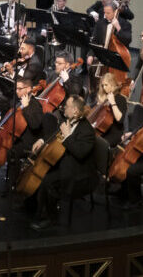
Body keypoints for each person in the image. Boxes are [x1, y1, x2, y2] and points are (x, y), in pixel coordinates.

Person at [29, 95, 97, 230]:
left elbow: (80, 153)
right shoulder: (69, 121)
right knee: (44, 174)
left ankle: (52, 218)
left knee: (48, 181)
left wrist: (67, 136)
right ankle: (38, 211)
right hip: (67, 163)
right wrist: (43, 140)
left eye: (67, 106)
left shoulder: (87, 131)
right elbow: (55, 135)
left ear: (76, 111)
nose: (63, 107)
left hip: (81, 172)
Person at [93, 72, 127, 147]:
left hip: (114, 134)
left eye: (106, 85)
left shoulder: (121, 99)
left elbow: (120, 119)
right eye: (103, 85)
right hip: (102, 131)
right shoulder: (104, 98)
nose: (104, 88)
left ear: (113, 84)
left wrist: (113, 103)